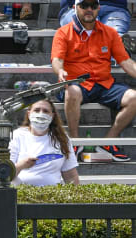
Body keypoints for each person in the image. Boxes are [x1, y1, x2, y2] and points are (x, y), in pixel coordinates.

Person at [52, 0, 136, 161]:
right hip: (76, 84)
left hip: (104, 84)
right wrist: (60, 70)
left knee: (133, 97)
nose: (89, 10)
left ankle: (108, 142)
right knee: (72, 90)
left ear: (99, 8)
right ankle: (75, 142)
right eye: (84, 6)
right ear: (75, 7)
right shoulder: (63, 32)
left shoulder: (110, 33)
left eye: (93, 6)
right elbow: (57, 60)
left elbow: (126, 63)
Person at [9, 99, 80, 186]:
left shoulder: (62, 138)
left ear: (52, 116)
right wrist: (21, 165)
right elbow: (5, 175)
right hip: (21, 194)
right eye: (37, 110)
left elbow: (70, 176)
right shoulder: (16, 136)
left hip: (53, 195)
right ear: (29, 113)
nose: (41, 114)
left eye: (46, 111)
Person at [59, 0, 131, 38]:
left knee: (115, 32)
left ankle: (118, 46)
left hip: (114, 8)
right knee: (86, 30)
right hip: (78, 7)